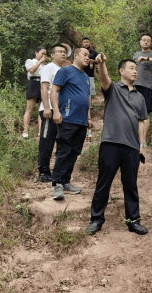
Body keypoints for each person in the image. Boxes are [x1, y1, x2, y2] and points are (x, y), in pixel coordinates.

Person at [85, 53, 149, 236]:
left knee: (131, 185)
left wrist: (142, 145)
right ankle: (96, 220)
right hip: (110, 143)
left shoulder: (140, 97)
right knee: (103, 183)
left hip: (132, 147)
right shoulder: (113, 89)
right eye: (131, 68)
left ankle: (133, 221)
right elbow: (104, 78)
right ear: (121, 71)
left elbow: (142, 121)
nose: (135, 71)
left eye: (136, 69)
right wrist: (102, 64)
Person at [50, 48, 92, 200]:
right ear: (76, 55)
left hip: (81, 120)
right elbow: (54, 90)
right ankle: (58, 184)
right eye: (85, 55)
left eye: (89, 56)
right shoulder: (65, 71)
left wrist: (88, 118)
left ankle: (66, 181)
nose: (87, 58)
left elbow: (87, 98)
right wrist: (56, 111)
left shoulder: (86, 77)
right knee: (64, 150)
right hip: (67, 117)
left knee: (75, 152)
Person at [36, 43, 69, 182]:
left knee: (59, 141)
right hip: (48, 110)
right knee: (46, 141)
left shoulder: (62, 69)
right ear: (52, 55)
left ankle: (54, 172)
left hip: (59, 111)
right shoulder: (49, 68)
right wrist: (47, 107)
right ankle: (43, 172)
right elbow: (44, 88)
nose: (63, 54)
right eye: (60, 51)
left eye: (64, 52)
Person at [23, 47, 47, 138]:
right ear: (36, 52)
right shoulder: (30, 61)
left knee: (41, 109)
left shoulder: (46, 65)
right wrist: (40, 61)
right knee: (30, 108)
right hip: (33, 83)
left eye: (45, 54)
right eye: (42, 53)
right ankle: (25, 131)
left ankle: (40, 132)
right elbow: (32, 70)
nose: (44, 55)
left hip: (43, 84)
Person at [82, 37, 98, 139]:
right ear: (82, 43)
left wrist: (93, 61)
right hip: (82, 74)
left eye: (87, 41)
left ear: (90, 43)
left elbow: (98, 61)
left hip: (91, 75)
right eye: (84, 42)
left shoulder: (94, 52)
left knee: (91, 92)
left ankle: (89, 106)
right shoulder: (80, 51)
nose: (86, 43)